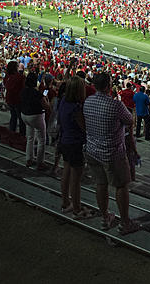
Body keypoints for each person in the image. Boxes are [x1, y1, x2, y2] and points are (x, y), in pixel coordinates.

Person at [83, 71, 139, 235]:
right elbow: (130, 120)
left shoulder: (88, 101)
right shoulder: (115, 105)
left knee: (100, 184)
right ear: (108, 86)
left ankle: (105, 217)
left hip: (92, 150)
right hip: (112, 153)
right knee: (121, 186)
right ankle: (125, 222)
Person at [57, 76, 93, 218]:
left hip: (65, 140)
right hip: (75, 143)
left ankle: (66, 202)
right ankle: (77, 209)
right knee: (76, 178)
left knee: (66, 172)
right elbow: (84, 128)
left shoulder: (64, 101)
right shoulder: (76, 108)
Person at [20, 72, 50, 170]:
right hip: (36, 116)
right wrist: (46, 99)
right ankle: (40, 162)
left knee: (30, 138)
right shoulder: (37, 93)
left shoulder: (23, 91)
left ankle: (29, 159)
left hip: (24, 115)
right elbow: (47, 107)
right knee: (41, 139)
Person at [3, 60, 25, 134]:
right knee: (21, 119)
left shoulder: (7, 76)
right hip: (17, 99)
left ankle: (12, 132)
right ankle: (22, 135)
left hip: (9, 99)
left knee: (13, 116)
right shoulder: (20, 76)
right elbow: (23, 87)